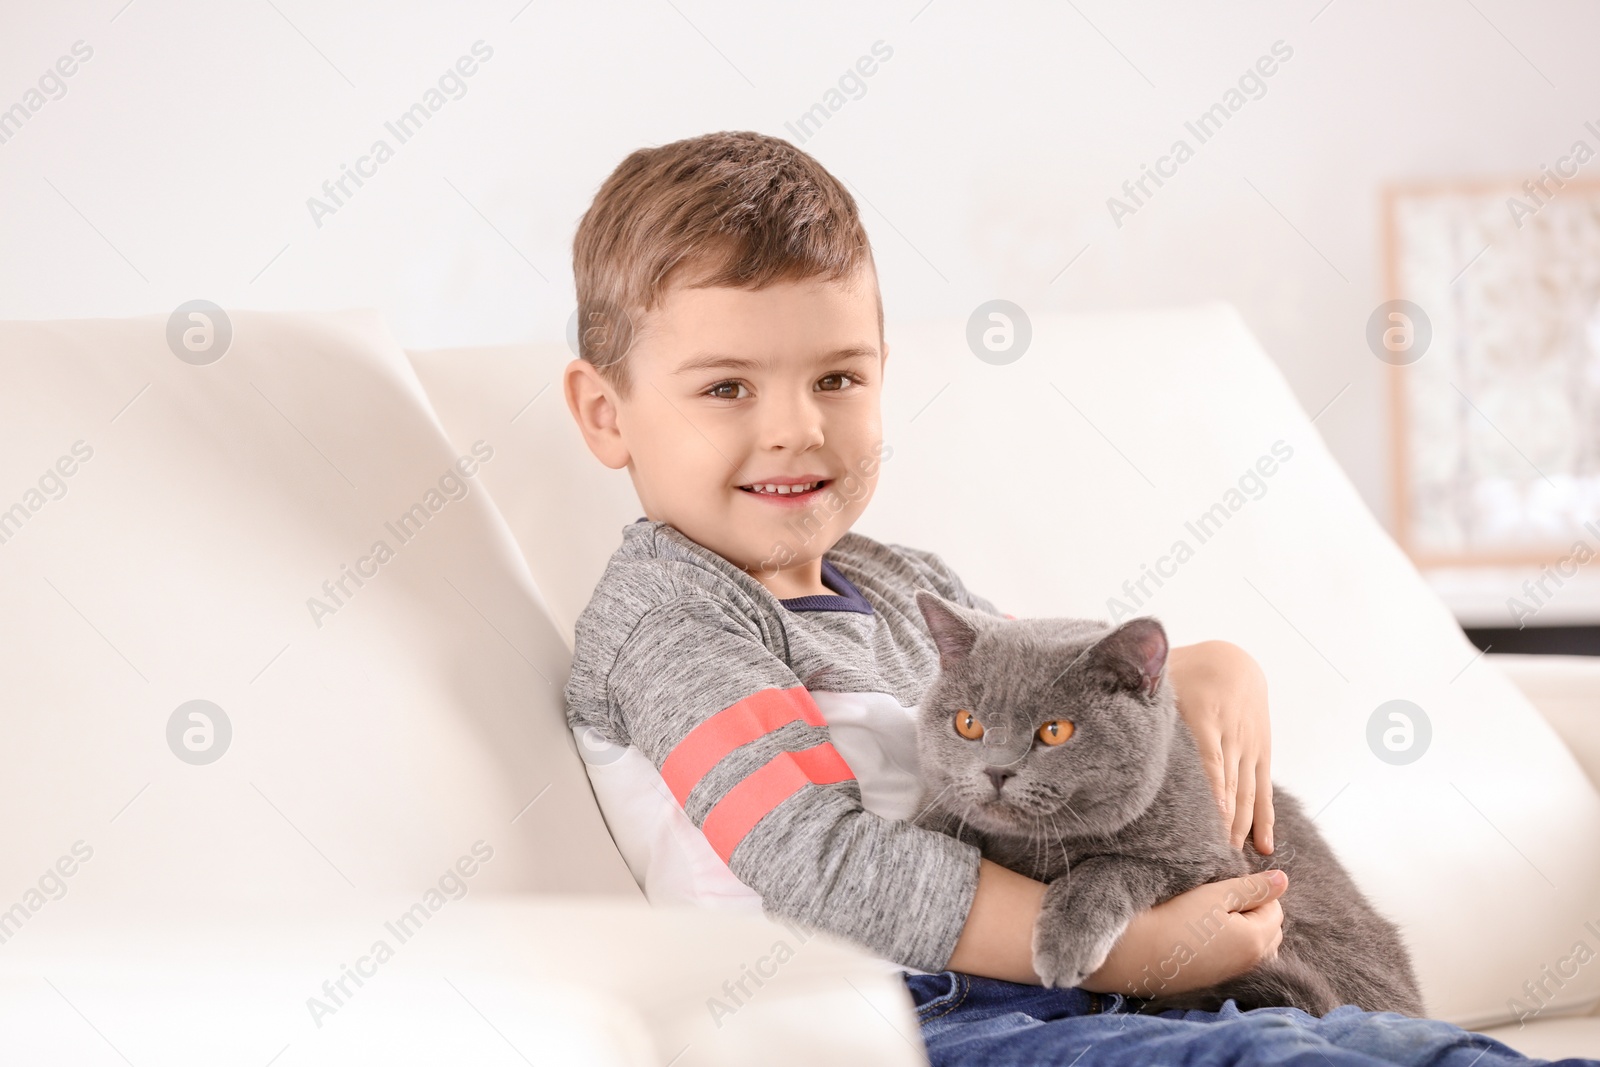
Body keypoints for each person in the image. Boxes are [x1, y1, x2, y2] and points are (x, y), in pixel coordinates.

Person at [559, 130, 1594, 1066]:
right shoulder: (675, 616)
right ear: (606, 414)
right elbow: (814, 859)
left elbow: (1064, 703)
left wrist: (1202, 669)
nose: (796, 427)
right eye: (727, 387)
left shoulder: (904, 581)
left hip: (1109, 995)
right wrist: (1133, 949)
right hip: (921, 1017)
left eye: (837, 377)